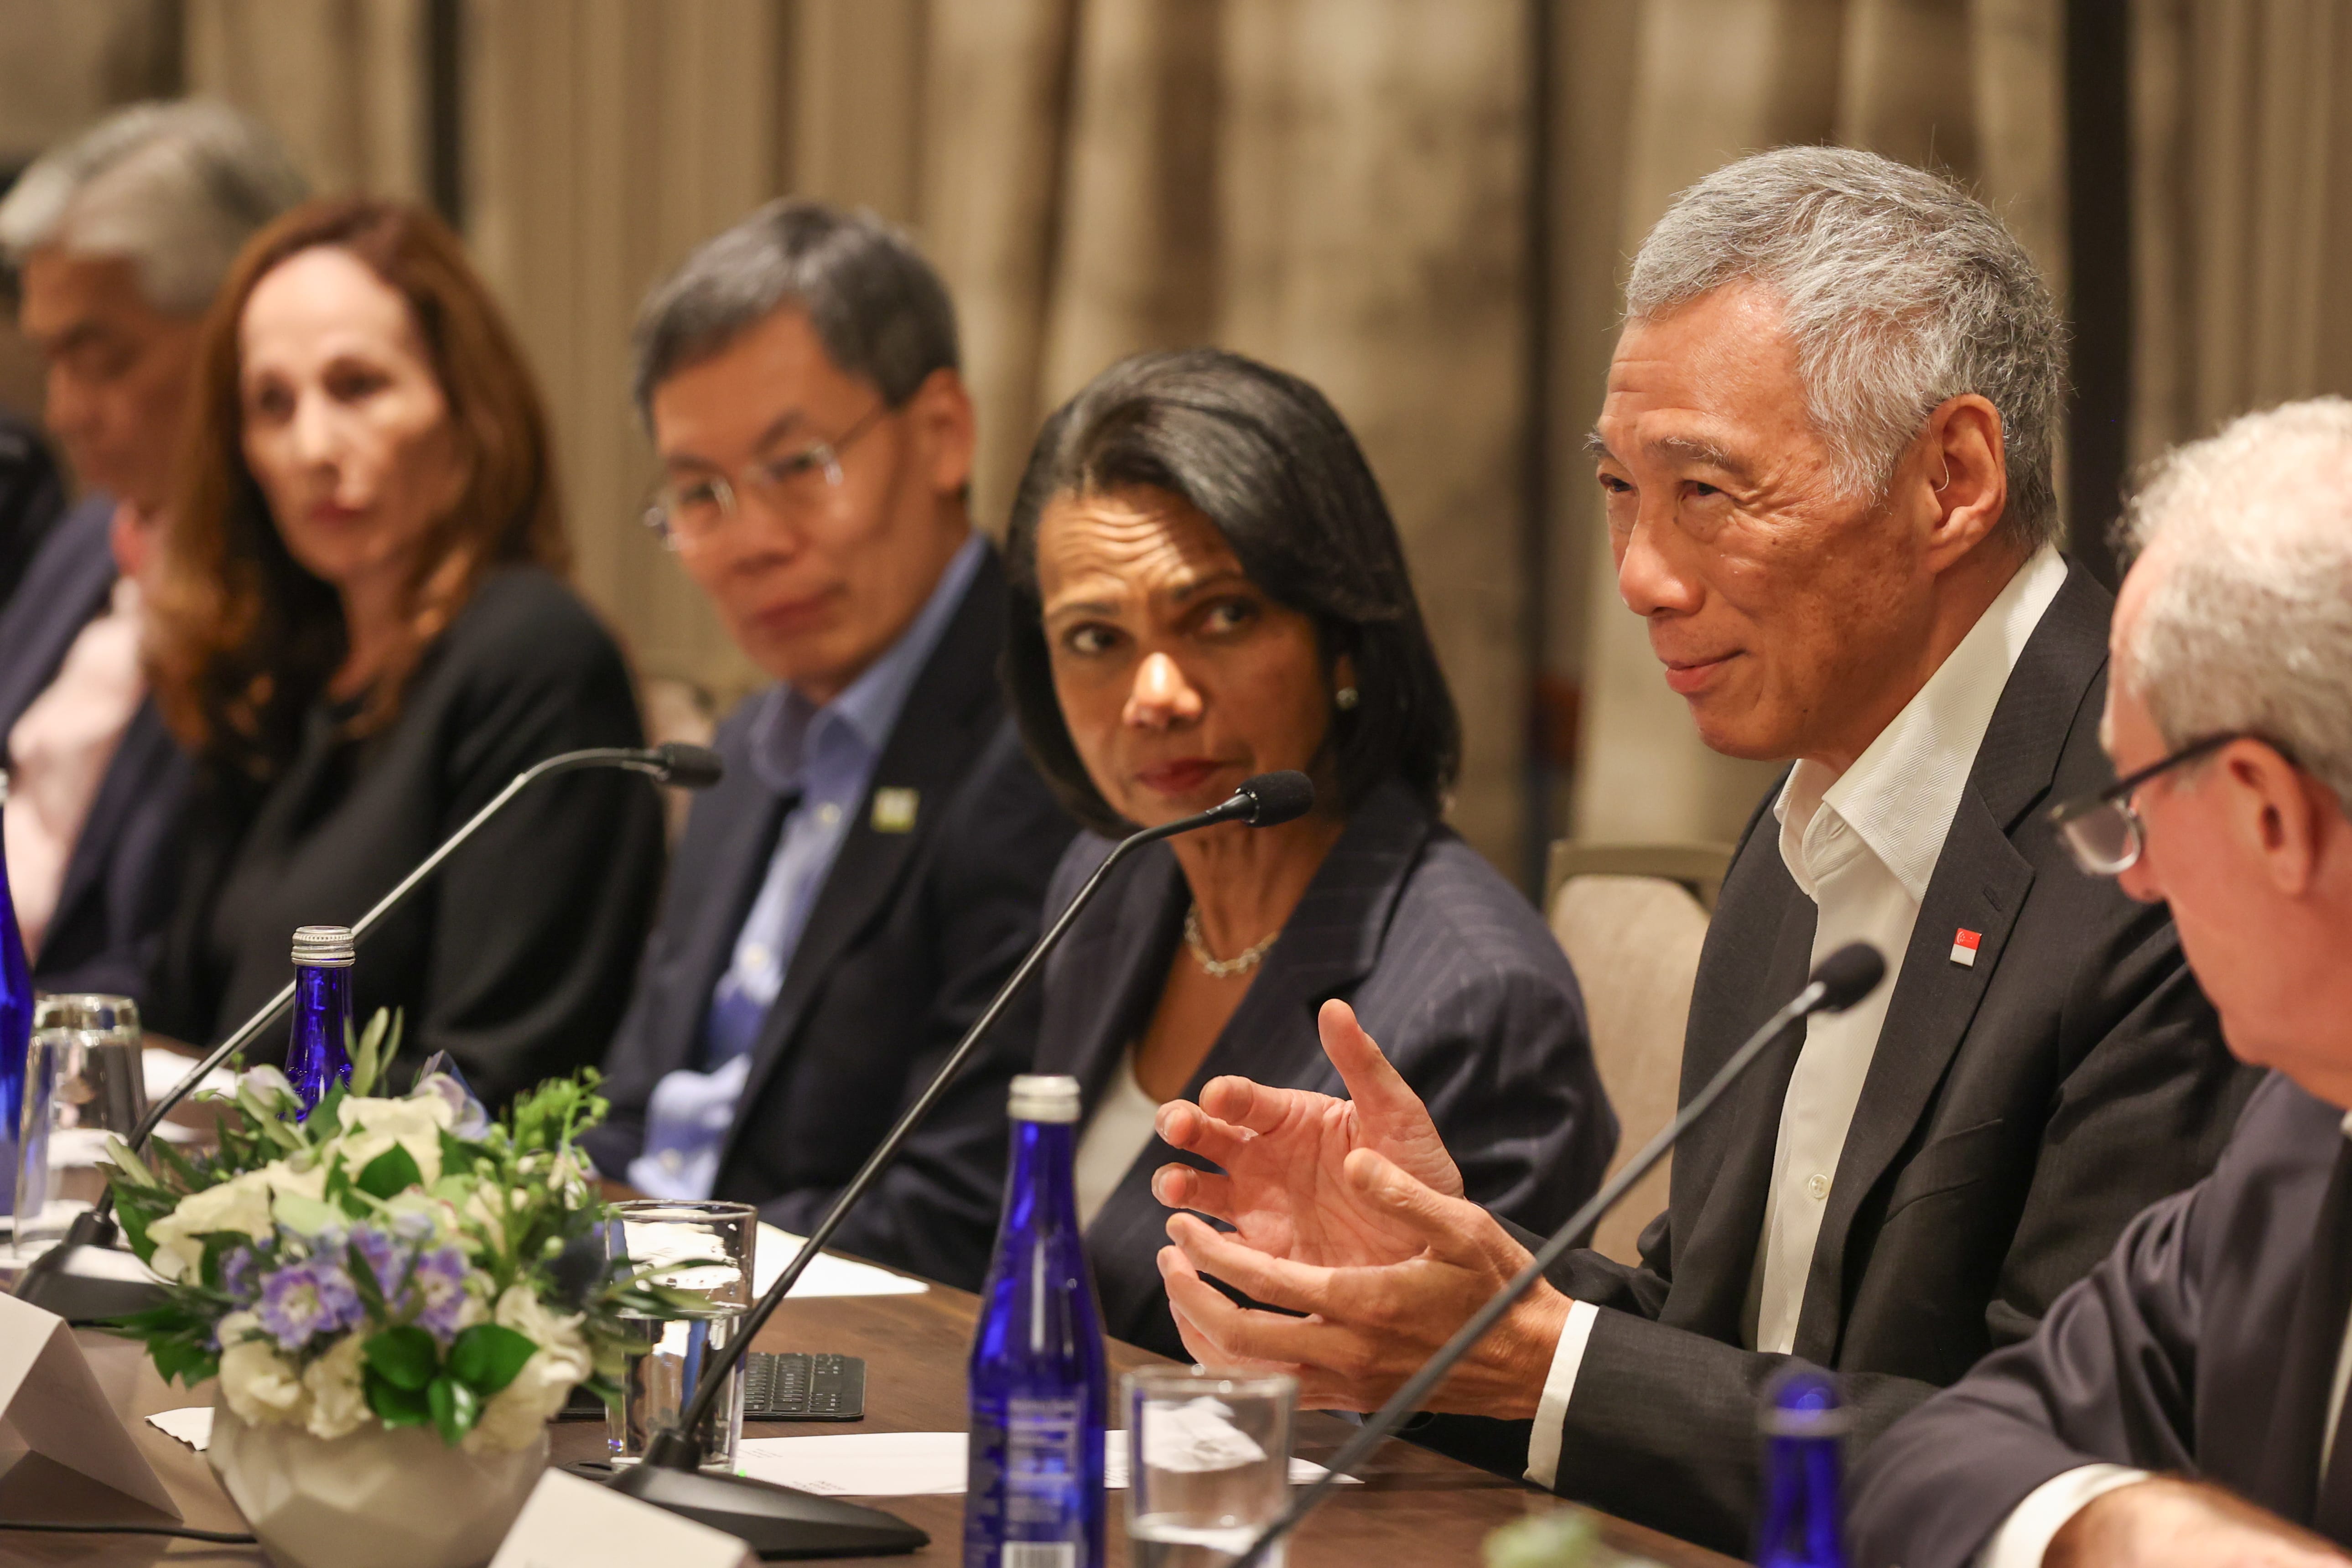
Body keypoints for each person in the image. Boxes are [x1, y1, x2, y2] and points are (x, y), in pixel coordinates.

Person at [1148, 146, 2253, 1553]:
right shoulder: (1814, 799)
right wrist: (1442, 1283)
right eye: (1620, 488)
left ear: (1952, 476)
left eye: (1707, 495)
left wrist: (1537, 1350)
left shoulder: (2155, 840)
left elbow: (2068, 1480)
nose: (1641, 578)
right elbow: (1718, 1332)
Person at [1002, 346, 1615, 1360]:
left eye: (1222, 616)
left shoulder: (1478, 999)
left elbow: (1449, 1423)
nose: (1153, 695)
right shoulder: (1105, 883)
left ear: (1340, 641)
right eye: (1094, 638)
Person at [1848, 400, 2352, 1568]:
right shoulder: (2298, 1132)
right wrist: (2123, 1524)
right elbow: (1941, 1456)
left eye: (2133, 812)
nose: (2133, 883)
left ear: (2266, 811)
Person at [580, 202, 1075, 1290]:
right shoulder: (743, 746)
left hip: (829, 1362)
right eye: (699, 495)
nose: (752, 541)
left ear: (943, 432)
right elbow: (627, 1117)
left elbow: (948, 1211)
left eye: (798, 466)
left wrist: (628, 1271)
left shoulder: (1049, 736)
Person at [140, 197, 665, 1109]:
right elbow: (183, 1022)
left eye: (357, 386)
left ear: (465, 409)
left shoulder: (535, 658)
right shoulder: (282, 681)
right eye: (271, 403)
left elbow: (491, 1085)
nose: (311, 446)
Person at [0, 101, 305, 995]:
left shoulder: (304, 592)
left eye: (101, 359)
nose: (62, 413)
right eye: (49, 361)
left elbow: (181, 969)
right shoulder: (93, 533)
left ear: (242, 328)